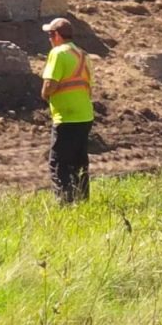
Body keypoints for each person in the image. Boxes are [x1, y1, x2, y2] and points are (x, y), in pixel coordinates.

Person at [40, 17, 93, 203]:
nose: (49, 39)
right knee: (79, 163)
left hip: (66, 118)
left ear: (56, 36)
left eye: (50, 34)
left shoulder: (58, 53)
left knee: (59, 164)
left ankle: (64, 203)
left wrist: (45, 95)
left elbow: (50, 83)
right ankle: (82, 199)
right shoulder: (83, 55)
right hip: (85, 115)